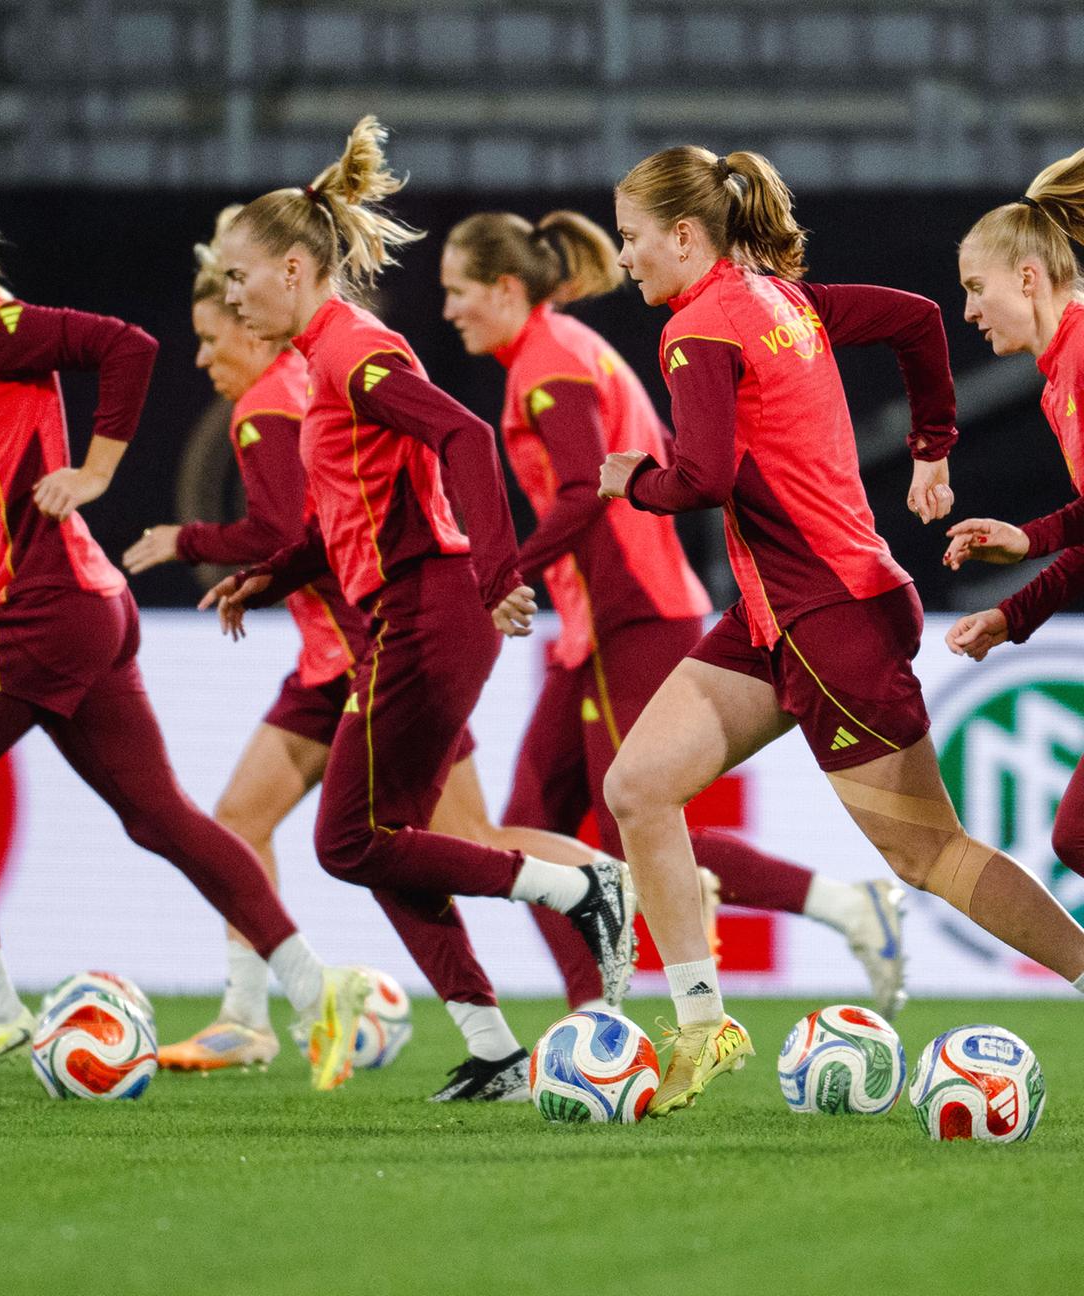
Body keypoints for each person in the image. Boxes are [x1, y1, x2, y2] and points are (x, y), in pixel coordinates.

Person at [597, 143, 1084, 1119]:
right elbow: (916, 320)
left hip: (824, 622)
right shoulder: (787, 303)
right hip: (787, 612)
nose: (626, 258)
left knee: (929, 853)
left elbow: (700, 476)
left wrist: (631, 484)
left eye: (634, 238)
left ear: (686, 235)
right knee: (638, 788)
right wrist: (932, 446)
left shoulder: (699, 331)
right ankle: (701, 1026)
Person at [122, 210, 616, 1073]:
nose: (234, 301)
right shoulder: (322, 359)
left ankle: (576, 888)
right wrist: (268, 578)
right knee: (384, 843)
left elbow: (464, 433)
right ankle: (493, 1050)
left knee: (345, 840)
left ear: (290, 269)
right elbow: (336, 520)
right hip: (407, 611)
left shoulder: (349, 353)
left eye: (240, 280)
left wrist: (499, 575)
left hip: (427, 609)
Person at [0, 155, 371, 1091]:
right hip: (86, 606)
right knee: (160, 818)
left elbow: (127, 346)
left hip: (49, 603)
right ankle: (314, 987)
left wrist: (94, 473)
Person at [438, 207, 910, 1017]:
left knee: (633, 821)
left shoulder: (550, 365)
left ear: (505, 288)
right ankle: (595, 1010)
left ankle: (839, 909)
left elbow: (592, 485)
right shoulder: (565, 351)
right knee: (527, 820)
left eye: (458, 291)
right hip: (601, 624)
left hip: (636, 617)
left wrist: (503, 573)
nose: (448, 310)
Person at [941, 148, 1084, 881]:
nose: (967, 310)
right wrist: (1015, 603)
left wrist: (1028, 560)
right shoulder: (1063, 372)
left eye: (976, 287)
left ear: (1027, 279)